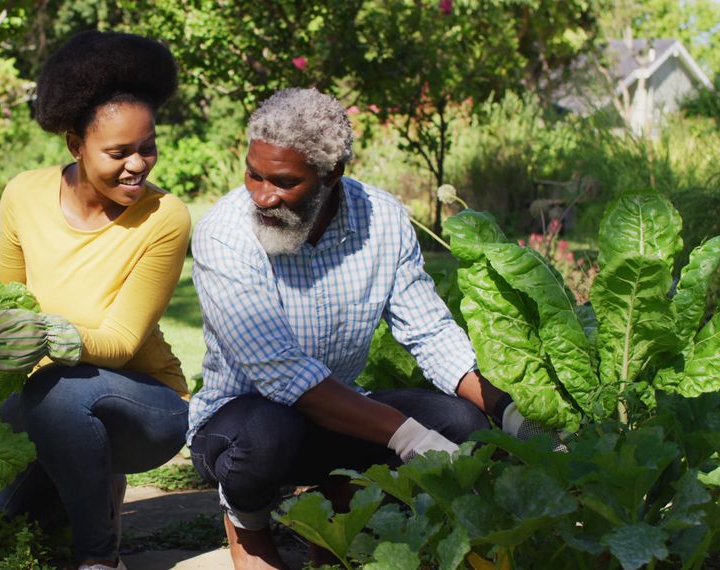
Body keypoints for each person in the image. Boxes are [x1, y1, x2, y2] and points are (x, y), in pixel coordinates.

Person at [188, 88, 555, 569]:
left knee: (463, 423)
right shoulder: (225, 233)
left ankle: (336, 518)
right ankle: (248, 528)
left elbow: (429, 333)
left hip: (341, 412)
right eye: (253, 174)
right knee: (265, 435)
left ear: (331, 174)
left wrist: (509, 413)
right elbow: (281, 374)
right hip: (240, 425)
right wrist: (409, 437)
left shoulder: (382, 218)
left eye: (283, 181)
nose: (262, 194)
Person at [0, 31, 191, 570]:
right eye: (118, 152)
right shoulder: (24, 194)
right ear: (75, 143)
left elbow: (120, 344)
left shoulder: (165, 217)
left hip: (147, 408)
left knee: (57, 389)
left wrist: (49, 335)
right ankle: (85, 486)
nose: (138, 165)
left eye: (147, 147)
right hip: (50, 409)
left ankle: (100, 559)